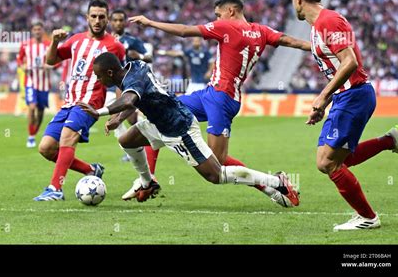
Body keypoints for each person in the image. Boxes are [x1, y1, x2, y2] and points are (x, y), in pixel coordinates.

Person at [126, 0, 311, 205]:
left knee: (216, 165)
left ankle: (274, 183)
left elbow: (186, 31)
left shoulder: (227, 27)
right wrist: (316, 47)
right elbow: (289, 40)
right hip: (209, 94)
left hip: (221, 99)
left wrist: (150, 23)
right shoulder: (262, 31)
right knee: (160, 114)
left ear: (230, 11)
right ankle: (148, 179)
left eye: (218, 14)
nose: (216, 18)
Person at [79, 52, 300, 207]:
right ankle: (148, 181)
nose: (98, 80)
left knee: (216, 175)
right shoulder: (134, 67)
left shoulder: (131, 79)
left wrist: (99, 112)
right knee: (127, 140)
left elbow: (129, 99)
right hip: (158, 123)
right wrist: (118, 119)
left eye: (99, 76)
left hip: (178, 127)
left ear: (109, 72)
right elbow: (137, 99)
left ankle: (276, 182)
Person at [290, 0, 398, 230]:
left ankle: (368, 217)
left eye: (293, 0)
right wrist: (324, 104)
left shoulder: (328, 21)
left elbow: (350, 62)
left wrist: (322, 96)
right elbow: (340, 68)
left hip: (354, 96)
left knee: (326, 162)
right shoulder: (318, 27)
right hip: (348, 96)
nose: (293, 5)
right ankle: (390, 141)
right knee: (339, 160)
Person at [33, 0, 126, 201]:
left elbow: (121, 82)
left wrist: (117, 114)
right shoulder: (76, 40)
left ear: (107, 19)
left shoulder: (115, 46)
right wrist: (55, 41)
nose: (97, 20)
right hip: (69, 102)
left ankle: (55, 188)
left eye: (102, 17)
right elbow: (51, 60)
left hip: (89, 103)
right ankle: (91, 170)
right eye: (93, 16)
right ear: (87, 18)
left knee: (67, 136)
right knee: (46, 148)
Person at [108, 9, 153, 162]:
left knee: (130, 118)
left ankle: (138, 143)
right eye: (115, 20)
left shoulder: (132, 41)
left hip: (130, 84)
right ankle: (130, 151)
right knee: (115, 118)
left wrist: (139, 56)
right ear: (110, 21)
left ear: (125, 22)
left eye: (121, 20)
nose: (118, 23)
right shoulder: (105, 40)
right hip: (110, 87)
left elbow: (149, 57)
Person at [17, 22, 51, 148]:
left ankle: (34, 132)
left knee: (41, 110)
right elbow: (19, 59)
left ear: (43, 31)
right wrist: (23, 66)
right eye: (35, 29)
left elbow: (56, 61)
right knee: (31, 107)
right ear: (32, 31)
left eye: (39, 29)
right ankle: (31, 136)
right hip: (30, 82)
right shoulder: (25, 45)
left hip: (44, 83)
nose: (37, 31)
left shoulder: (48, 45)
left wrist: (49, 66)